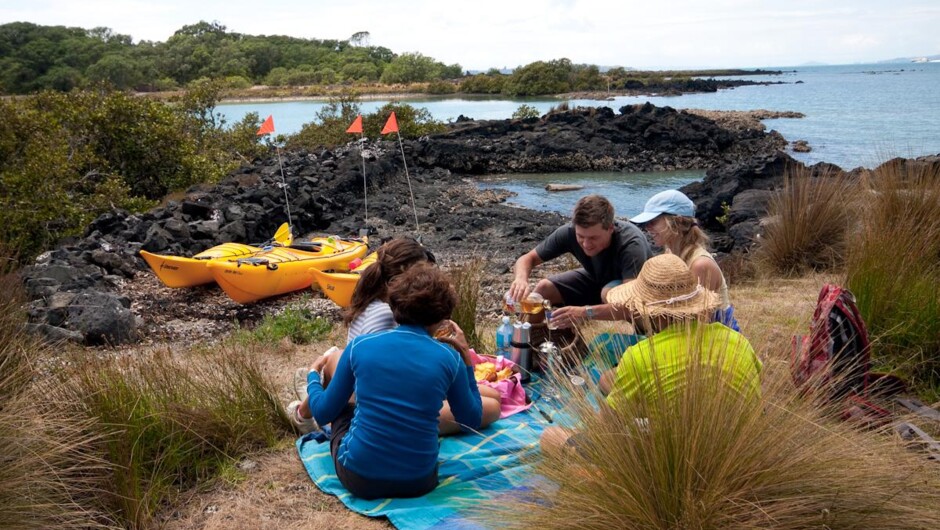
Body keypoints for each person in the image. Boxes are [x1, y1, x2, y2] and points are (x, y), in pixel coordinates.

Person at [540, 254, 761, 456]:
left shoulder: (641, 356)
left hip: (669, 460)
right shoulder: (738, 340)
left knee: (551, 437)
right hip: (738, 453)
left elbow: (603, 433)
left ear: (646, 310)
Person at [305, 263, 486, 499]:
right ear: (443, 317)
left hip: (360, 478)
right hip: (420, 481)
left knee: (344, 409)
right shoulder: (450, 359)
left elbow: (323, 412)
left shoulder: (360, 346)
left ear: (395, 305)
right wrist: (466, 360)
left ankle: (303, 415)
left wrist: (312, 375)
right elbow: (471, 419)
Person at [287, 238, 501, 435]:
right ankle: (309, 403)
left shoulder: (386, 303)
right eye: (422, 272)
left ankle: (310, 397)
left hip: (388, 383)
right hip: (384, 400)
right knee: (491, 405)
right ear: (403, 274)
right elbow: (390, 373)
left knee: (493, 394)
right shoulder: (387, 315)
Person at [506, 195, 651, 330]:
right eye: (581, 236)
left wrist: (584, 313)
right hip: (597, 279)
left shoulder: (631, 244)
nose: (586, 244)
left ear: (610, 228)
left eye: (593, 238)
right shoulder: (568, 232)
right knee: (543, 289)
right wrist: (520, 279)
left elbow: (630, 305)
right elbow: (526, 259)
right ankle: (524, 342)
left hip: (637, 294)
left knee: (608, 292)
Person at [629, 189, 739, 330]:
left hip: (715, 339)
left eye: (653, 222)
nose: (647, 228)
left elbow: (698, 322)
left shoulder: (700, 264)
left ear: (676, 222)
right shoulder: (671, 252)